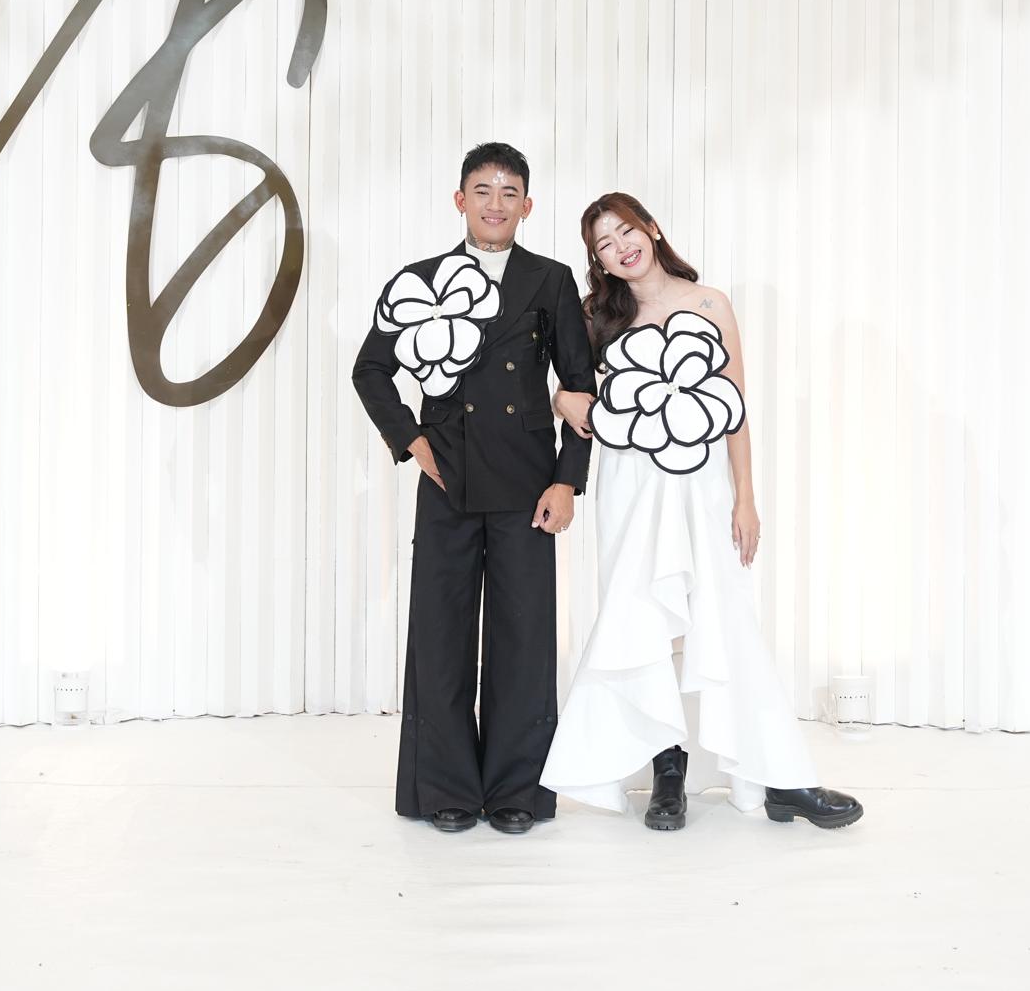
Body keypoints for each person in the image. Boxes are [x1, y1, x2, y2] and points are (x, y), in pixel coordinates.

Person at [540, 192, 862, 830]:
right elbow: (566, 387)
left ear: (652, 228)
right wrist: (560, 401)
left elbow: (733, 407)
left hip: (704, 481)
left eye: (626, 231)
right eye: (604, 244)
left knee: (724, 618)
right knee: (644, 620)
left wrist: (746, 496)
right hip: (633, 484)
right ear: (598, 260)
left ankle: (776, 777)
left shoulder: (711, 304)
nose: (621, 248)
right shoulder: (595, 315)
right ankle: (668, 774)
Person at [352, 142, 597, 835]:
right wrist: (412, 440)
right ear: (460, 200)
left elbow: (580, 387)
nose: (496, 203)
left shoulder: (550, 281)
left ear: (528, 205)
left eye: (509, 191)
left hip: (527, 484)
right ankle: (447, 788)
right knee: (441, 633)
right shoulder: (420, 280)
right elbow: (370, 369)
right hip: (448, 478)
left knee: (524, 636)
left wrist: (567, 480)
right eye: (482, 190)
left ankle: (517, 788)